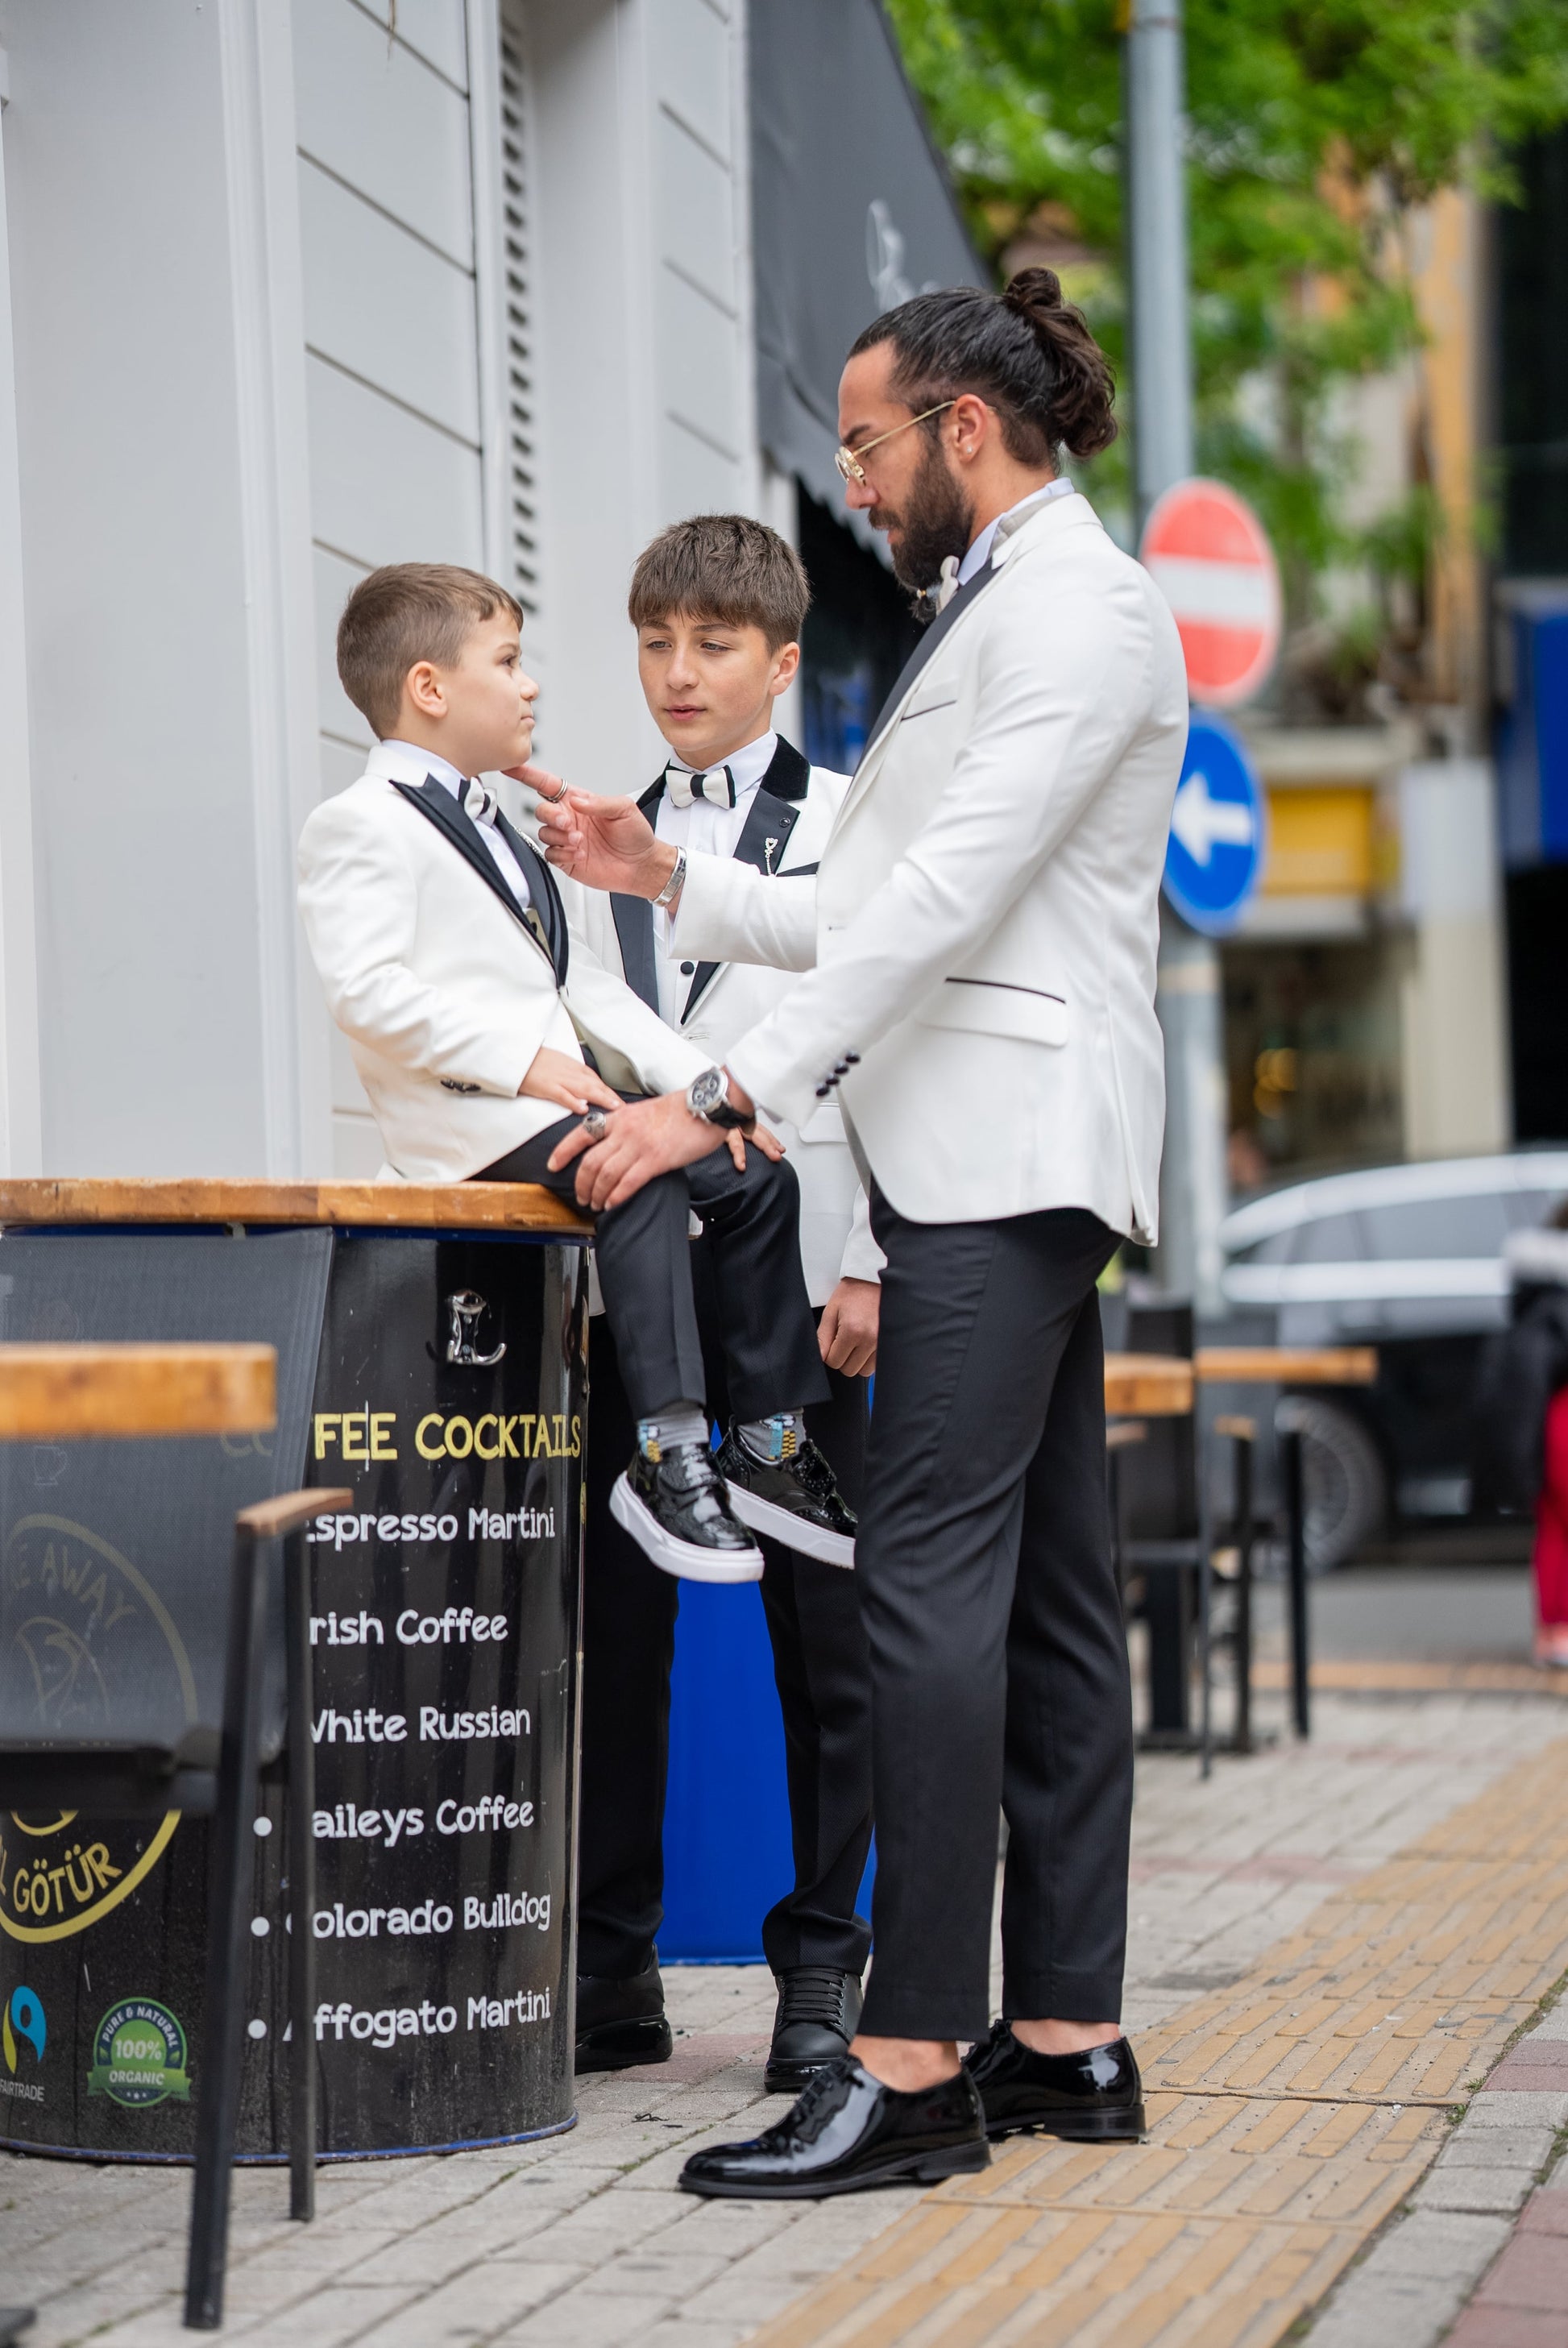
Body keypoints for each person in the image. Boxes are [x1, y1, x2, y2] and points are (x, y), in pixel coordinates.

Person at [534, 271, 1188, 2195]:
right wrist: (678, 880)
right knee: (1058, 1600)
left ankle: (909, 2067)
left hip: (1000, 1158)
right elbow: (885, 891)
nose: (858, 480)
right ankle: (1065, 2037)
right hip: (1001, 1154)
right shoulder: (1011, 604)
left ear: (963, 434)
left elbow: (940, 909)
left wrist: (718, 1097)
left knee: (919, 1588)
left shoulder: (1072, 610)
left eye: (869, 446)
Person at [296, 560, 855, 1587]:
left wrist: (714, 1094)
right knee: (633, 1165)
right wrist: (528, 1060)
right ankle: (668, 1447)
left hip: (548, 1109)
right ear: (429, 688)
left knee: (753, 1171)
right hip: (471, 1124)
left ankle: (767, 1447)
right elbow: (366, 993)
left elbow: (587, 984)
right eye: (507, 663)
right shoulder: (358, 823)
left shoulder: (503, 826)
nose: (530, 686)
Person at [539, 516, 879, 2089]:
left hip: (803, 1292)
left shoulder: (852, 819)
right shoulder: (586, 833)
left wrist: (870, 1252)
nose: (679, 672)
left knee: (831, 1648)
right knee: (616, 1634)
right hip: (631, 1288)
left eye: (716, 644)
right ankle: (611, 1977)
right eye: (656, 641)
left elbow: (884, 1039)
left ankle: (821, 1978)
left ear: (782, 661)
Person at [1477, 1203, 1568, 1666]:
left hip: (1543, 1427)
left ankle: (1551, 1631)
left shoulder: (1533, 1296)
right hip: (1562, 1420)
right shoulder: (1559, 1301)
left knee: (1553, 1528)